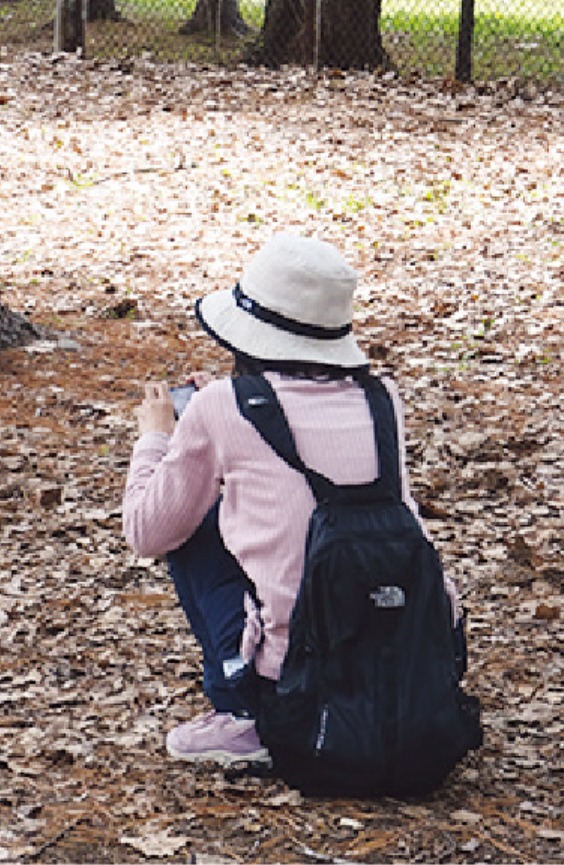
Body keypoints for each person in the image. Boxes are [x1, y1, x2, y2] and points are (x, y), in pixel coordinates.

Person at [122, 233, 455, 766]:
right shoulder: (381, 398)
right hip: (412, 661)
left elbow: (146, 532)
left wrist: (157, 438)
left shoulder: (220, 408)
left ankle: (243, 714)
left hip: (300, 684)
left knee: (192, 520)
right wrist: (223, 410)